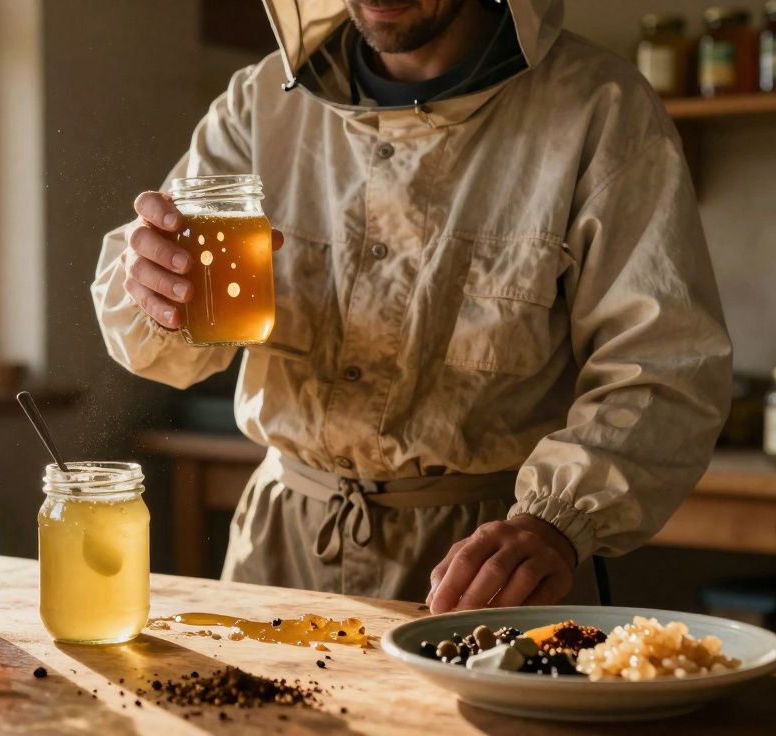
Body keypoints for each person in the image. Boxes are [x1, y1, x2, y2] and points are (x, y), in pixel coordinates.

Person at [92, 0, 732, 612]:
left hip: (487, 568)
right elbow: (165, 343)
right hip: (277, 559)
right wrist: (157, 289)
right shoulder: (260, 101)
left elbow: (662, 363)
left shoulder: (601, 107)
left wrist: (556, 524)